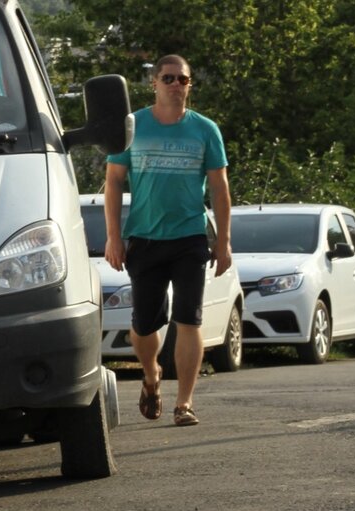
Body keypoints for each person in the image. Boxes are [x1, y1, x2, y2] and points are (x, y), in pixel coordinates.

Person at [103, 53, 231, 428]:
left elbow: (220, 189)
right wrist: (114, 237)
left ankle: (185, 403)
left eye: (184, 80)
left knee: (189, 319)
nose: (177, 85)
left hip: (190, 237)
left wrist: (223, 241)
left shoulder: (205, 129)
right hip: (144, 238)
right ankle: (151, 375)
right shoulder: (133, 126)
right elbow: (113, 181)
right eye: (169, 78)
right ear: (154, 83)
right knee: (144, 326)